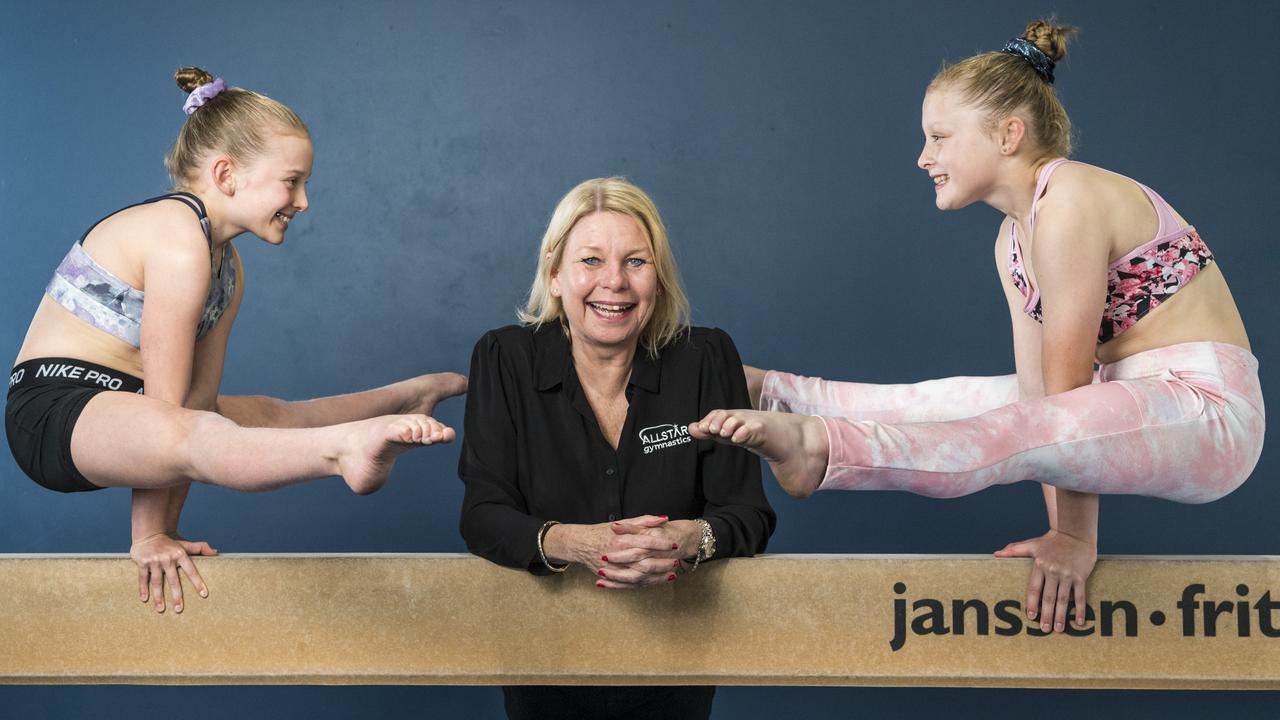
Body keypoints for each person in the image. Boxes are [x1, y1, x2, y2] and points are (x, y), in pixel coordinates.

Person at [691, 21, 1263, 636]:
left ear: (1008, 133)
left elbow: (1060, 405)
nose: (923, 157)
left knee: (1006, 426)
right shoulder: (1011, 241)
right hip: (1120, 396)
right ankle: (771, 391)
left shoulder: (1070, 199)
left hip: (1208, 412)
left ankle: (821, 449)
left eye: (939, 137)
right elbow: (1037, 393)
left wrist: (1072, 536)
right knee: (951, 399)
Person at [5, 67, 466, 614]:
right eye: (291, 181)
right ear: (226, 175)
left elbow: (195, 401)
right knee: (200, 431)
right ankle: (341, 450)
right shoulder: (177, 238)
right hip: (56, 410)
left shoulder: (229, 268)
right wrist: (149, 536)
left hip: (130, 411)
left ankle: (403, 398)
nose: (303, 201)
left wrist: (166, 528)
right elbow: (170, 414)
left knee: (267, 417)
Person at [459, 177, 775, 719]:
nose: (615, 283)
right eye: (590, 260)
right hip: (544, 656)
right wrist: (573, 543)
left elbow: (749, 514)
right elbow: (482, 515)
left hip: (677, 654)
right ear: (555, 275)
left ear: (659, 278)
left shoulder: (706, 358)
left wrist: (692, 537)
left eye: (635, 262)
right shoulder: (503, 358)